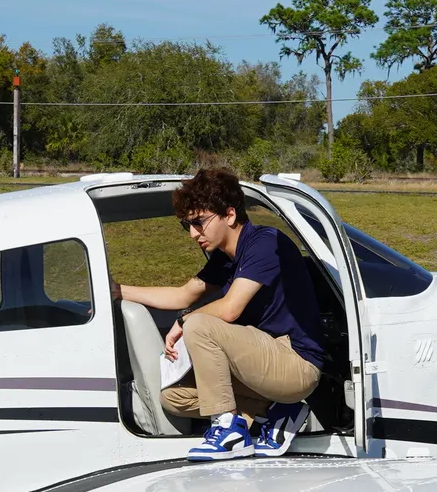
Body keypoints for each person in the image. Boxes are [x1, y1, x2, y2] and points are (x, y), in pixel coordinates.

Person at [112, 165, 325, 460]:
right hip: (261, 365)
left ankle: (229, 431)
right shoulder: (225, 258)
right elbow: (183, 294)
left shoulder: (265, 244)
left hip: (295, 364)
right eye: (186, 225)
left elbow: (230, 308)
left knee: (200, 323)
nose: (192, 234)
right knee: (173, 397)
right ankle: (278, 411)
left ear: (229, 214)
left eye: (198, 222)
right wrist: (119, 291)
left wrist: (184, 321)